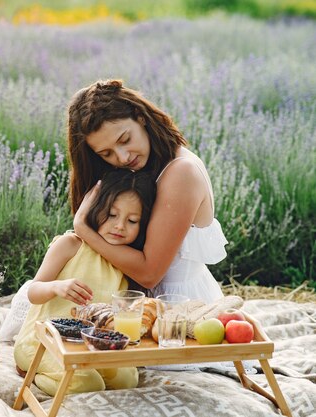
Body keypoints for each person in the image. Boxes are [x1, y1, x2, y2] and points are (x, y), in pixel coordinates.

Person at [68, 79, 227, 303]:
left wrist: (83, 228)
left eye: (125, 139)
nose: (122, 157)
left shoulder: (181, 172)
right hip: (140, 303)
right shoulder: (143, 169)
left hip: (179, 306)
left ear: (140, 117)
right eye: (106, 154)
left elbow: (149, 273)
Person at [14, 170, 155, 396]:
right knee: (88, 383)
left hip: (90, 346)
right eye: (111, 215)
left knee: (126, 379)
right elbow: (33, 292)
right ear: (96, 209)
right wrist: (56, 287)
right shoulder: (71, 244)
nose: (119, 226)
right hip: (44, 342)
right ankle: (36, 375)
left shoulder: (126, 262)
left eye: (132, 221)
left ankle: (79, 373)